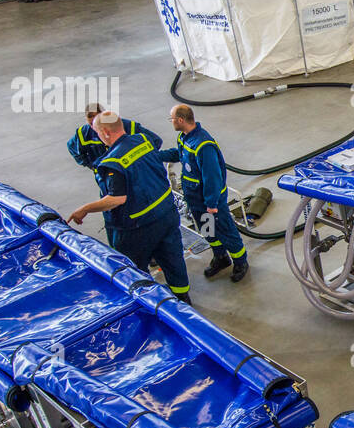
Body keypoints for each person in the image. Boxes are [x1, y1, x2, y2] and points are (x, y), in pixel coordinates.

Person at [68, 111, 191, 304]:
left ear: (106, 132)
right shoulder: (143, 140)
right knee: (173, 259)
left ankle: (146, 304)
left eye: (98, 133)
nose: (99, 138)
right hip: (167, 215)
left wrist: (85, 208)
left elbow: (116, 199)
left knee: (133, 270)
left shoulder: (112, 163)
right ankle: (183, 299)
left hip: (137, 228)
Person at [158, 104, 248, 283]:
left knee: (226, 231)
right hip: (196, 199)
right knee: (209, 230)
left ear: (181, 120)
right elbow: (181, 155)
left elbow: (212, 177)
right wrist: (157, 155)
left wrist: (212, 204)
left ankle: (240, 261)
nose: (171, 122)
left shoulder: (203, 145)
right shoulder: (185, 137)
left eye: (172, 119)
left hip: (210, 202)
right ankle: (220, 257)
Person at [67, 102, 161, 170]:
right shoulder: (83, 134)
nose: (95, 126)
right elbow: (72, 148)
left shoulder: (126, 126)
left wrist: (140, 160)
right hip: (109, 176)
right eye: (91, 123)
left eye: (97, 120)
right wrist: (91, 165)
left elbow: (156, 141)